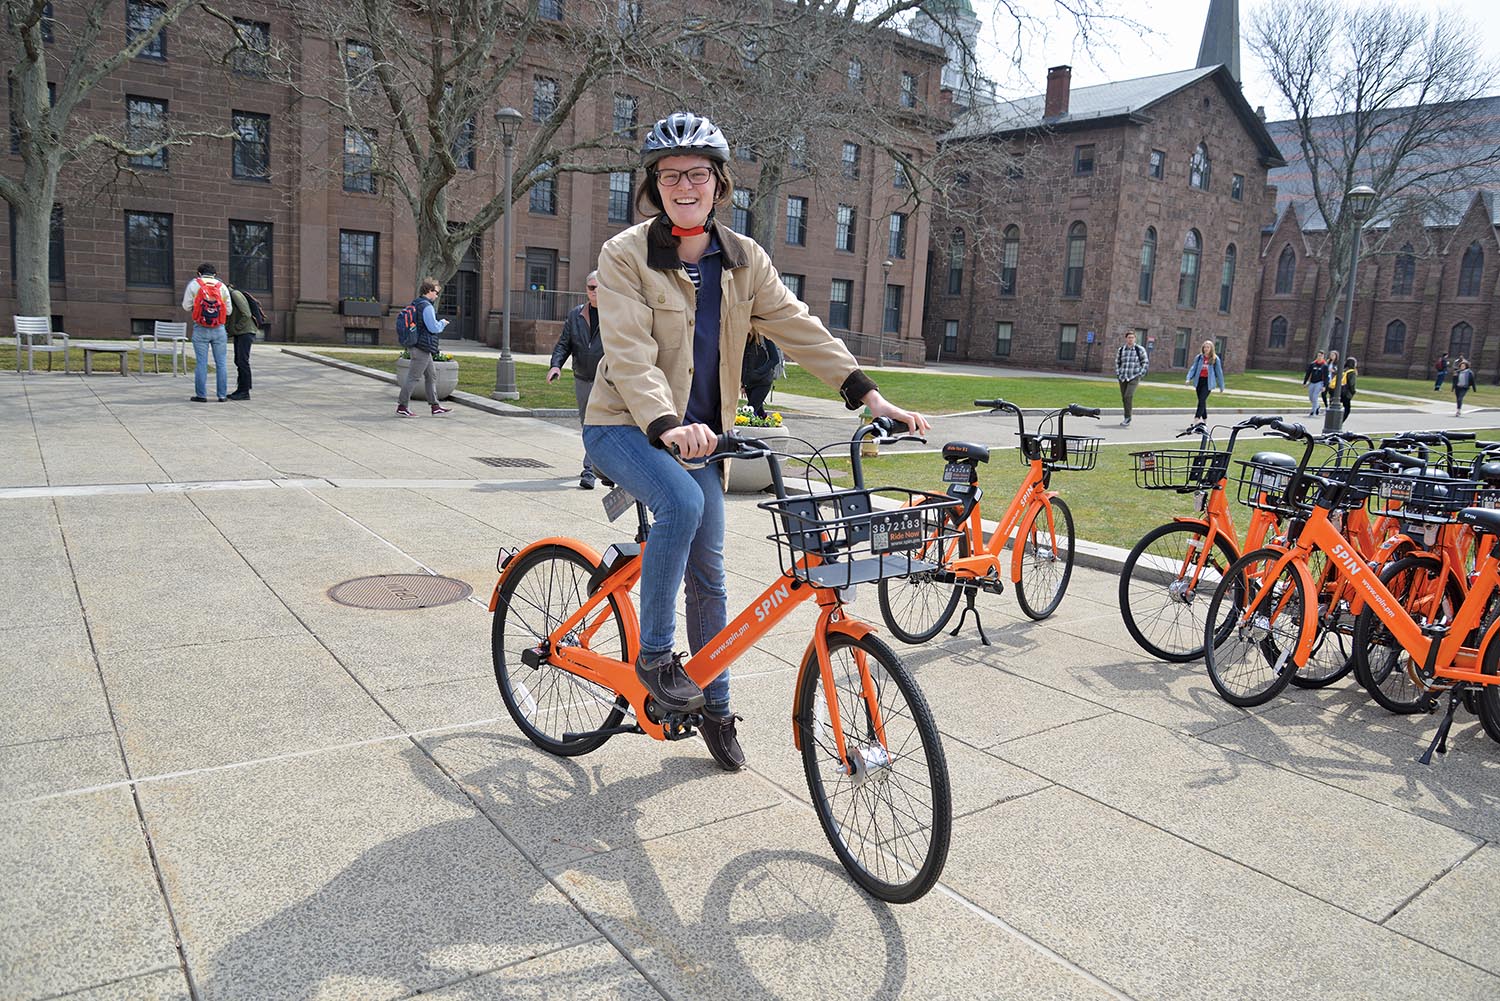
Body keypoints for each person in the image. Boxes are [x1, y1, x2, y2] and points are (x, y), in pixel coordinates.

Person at [582, 111, 929, 772]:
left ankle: (715, 706)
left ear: (718, 185)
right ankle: (656, 655)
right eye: (671, 175)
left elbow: (800, 328)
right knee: (680, 509)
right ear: (654, 188)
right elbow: (627, 355)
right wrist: (664, 422)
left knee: (708, 571)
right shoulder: (624, 254)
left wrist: (868, 394)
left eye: (698, 174)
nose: (686, 184)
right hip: (625, 426)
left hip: (703, 440)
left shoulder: (744, 261)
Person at [548, 271, 606, 488]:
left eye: (600, 287)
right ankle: (600, 465)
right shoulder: (576, 315)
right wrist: (556, 366)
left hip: (606, 381)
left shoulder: (615, 313)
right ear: (586, 290)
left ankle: (589, 470)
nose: (596, 291)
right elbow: (564, 343)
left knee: (600, 423)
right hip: (582, 377)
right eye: (592, 287)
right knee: (588, 424)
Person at [396, 277, 452, 418]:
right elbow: (433, 328)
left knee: (431, 376)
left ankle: (435, 406)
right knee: (414, 377)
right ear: (428, 291)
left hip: (420, 346)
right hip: (421, 347)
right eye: (436, 292)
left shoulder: (417, 303)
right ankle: (402, 406)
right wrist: (443, 323)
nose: (437, 295)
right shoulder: (426, 306)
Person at [181, 263, 232, 403]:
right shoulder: (221, 286)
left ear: (199, 273)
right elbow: (228, 311)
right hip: (219, 328)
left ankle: (201, 395)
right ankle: (222, 395)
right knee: (221, 363)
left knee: (201, 363)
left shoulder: (194, 285)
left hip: (200, 327)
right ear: (215, 274)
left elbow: (186, 306)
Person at [224, 282, 263, 400]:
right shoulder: (231, 294)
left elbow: (246, 314)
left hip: (246, 332)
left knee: (242, 361)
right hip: (242, 332)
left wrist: (237, 328)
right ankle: (241, 389)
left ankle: (244, 391)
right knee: (239, 361)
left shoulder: (235, 294)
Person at [741, 333, 783, 418]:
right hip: (749, 382)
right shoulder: (747, 338)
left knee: (749, 411)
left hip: (763, 381)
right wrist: (743, 382)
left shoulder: (765, 337)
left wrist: (758, 372)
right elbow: (744, 361)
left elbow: (775, 359)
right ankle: (765, 421)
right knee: (759, 412)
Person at [1183, 339, 1224, 424]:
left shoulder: (1215, 359)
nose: (1206, 349)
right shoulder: (1199, 358)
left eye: (1208, 347)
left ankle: (1196, 419)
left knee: (1201, 400)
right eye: (1205, 347)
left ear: (1211, 348)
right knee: (1202, 401)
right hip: (1199, 381)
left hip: (1208, 383)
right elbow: (1193, 369)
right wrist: (1188, 378)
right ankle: (1205, 420)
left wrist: (1221, 386)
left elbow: (1219, 373)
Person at [1113, 330, 1148, 426]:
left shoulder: (1139, 349)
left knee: (1128, 396)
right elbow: (1117, 363)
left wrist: (1140, 374)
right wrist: (1118, 374)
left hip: (1134, 376)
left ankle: (1128, 417)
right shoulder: (1121, 350)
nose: (1130, 339)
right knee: (1124, 398)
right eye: (1129, 337)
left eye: (1132, 337)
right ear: (1126, 339)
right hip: (1123, 377)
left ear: (1135, 339)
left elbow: (1145, 362)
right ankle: (1127, 416)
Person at [1302, 350, 1329, 417]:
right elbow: (1308, 373)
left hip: (1319, 383)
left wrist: (1324, 386)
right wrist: (1305, 382)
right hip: (1312, 382)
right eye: (1318, 355)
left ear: (1323, 356)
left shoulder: (1325, 366)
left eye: (1321, 356)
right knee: (1311, 397)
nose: (1319, 357)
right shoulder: (1313, 364)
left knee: (1315, 396)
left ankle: (1313, 412)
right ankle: (1317, 406)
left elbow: (1326, 377)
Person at [1336, 356, 1358, 421]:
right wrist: (1353, 392)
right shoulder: (1352, 372)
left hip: (1339, 392)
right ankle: (1339, 423)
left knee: (1339, 407)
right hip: (1346, 393)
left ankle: (1336, 421)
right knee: (1347, 409)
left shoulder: (1343, 370)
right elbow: (1352, 384)